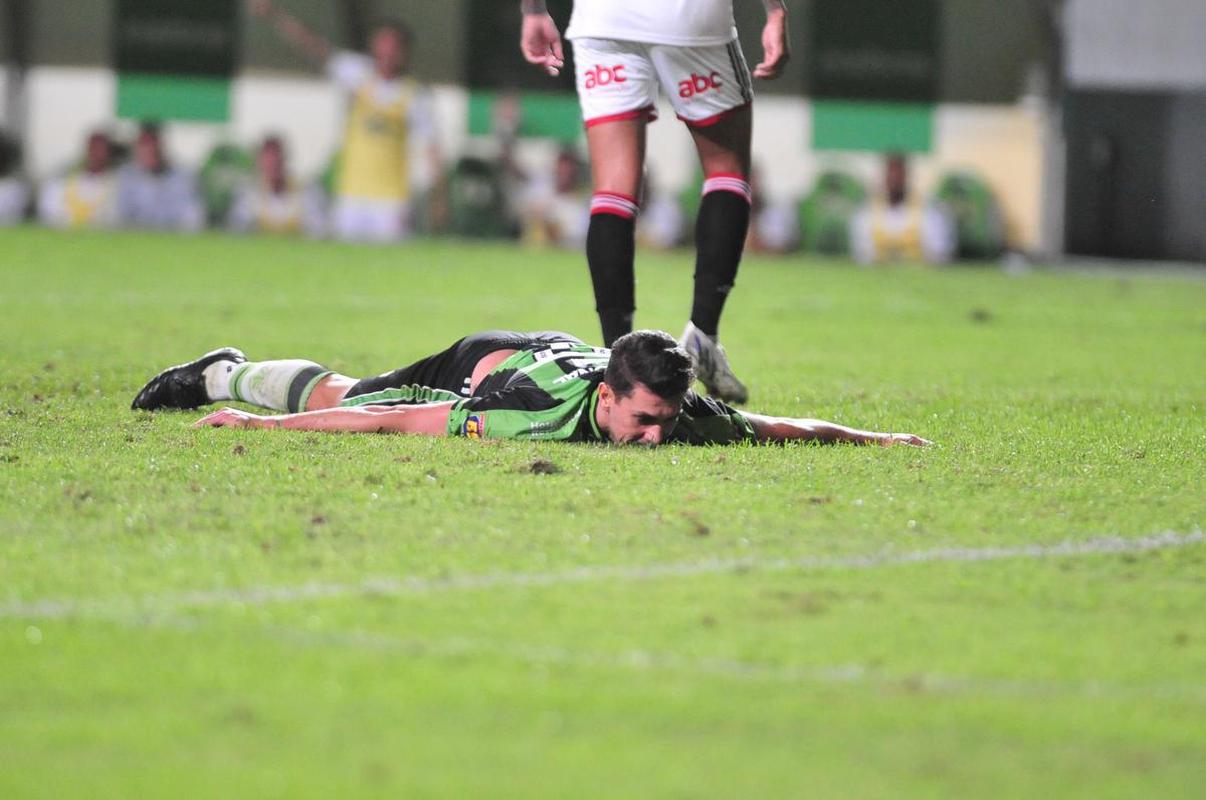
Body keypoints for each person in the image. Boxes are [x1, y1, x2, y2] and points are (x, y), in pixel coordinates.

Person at [519, 0, 791, 405]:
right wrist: (775, 12)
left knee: (613, 189)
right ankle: (703, 338)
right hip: (688, 16)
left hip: (604, 19)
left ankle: (617, 359)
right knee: (726, 171)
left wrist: (534, 11)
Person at [131, 329, 929, 448]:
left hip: (551, 348)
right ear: (609, 400)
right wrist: (257, 428)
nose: (656, 438)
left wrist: (875, 439)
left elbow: (781, 427)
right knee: (350, 393)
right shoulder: (532, 417)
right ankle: (219, 372)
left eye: (664, 421)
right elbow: (395, 425)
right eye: (645, 421)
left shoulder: (680, 413)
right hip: (482, 366)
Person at [249, 0, 439, 243]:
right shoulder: (358, 75)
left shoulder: (413, 95)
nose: (386, 53)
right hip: (351, 196)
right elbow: (312, 45)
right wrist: (275, 15)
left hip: (391, 201)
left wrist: (436, 198)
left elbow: (431, 147)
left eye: (392, 48)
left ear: (403, 52)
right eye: (382, 45)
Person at [850, 153, 955, 265]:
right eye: (891, 173)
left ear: (907, 176)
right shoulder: (866, 212)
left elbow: (940, 254)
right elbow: (861, 254)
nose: (895, 179)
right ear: (883, 177)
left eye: (899, 174)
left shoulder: (929, 212)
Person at [227, 135, 326, 236]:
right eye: (268, 164)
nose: (272, 168)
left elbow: (319, 229)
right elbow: (237, 229)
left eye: (276, 163)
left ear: (284, 161)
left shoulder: (306, 192)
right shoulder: (250, 194)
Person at [115, 122, 204, 232]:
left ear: (162, 147)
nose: (149, 151)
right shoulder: (127, 177)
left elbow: (193, 218)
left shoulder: (183, 177)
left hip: (173, 240)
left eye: (153, 146)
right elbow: (120, 218)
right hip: (136, 239)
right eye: (144, 146)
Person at [38, 130, 119, 229]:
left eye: (101, 149)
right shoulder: (66, 180)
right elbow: (50, 213)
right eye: (94, 148)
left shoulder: (116, 184)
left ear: (108, 153)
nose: (97, 154)